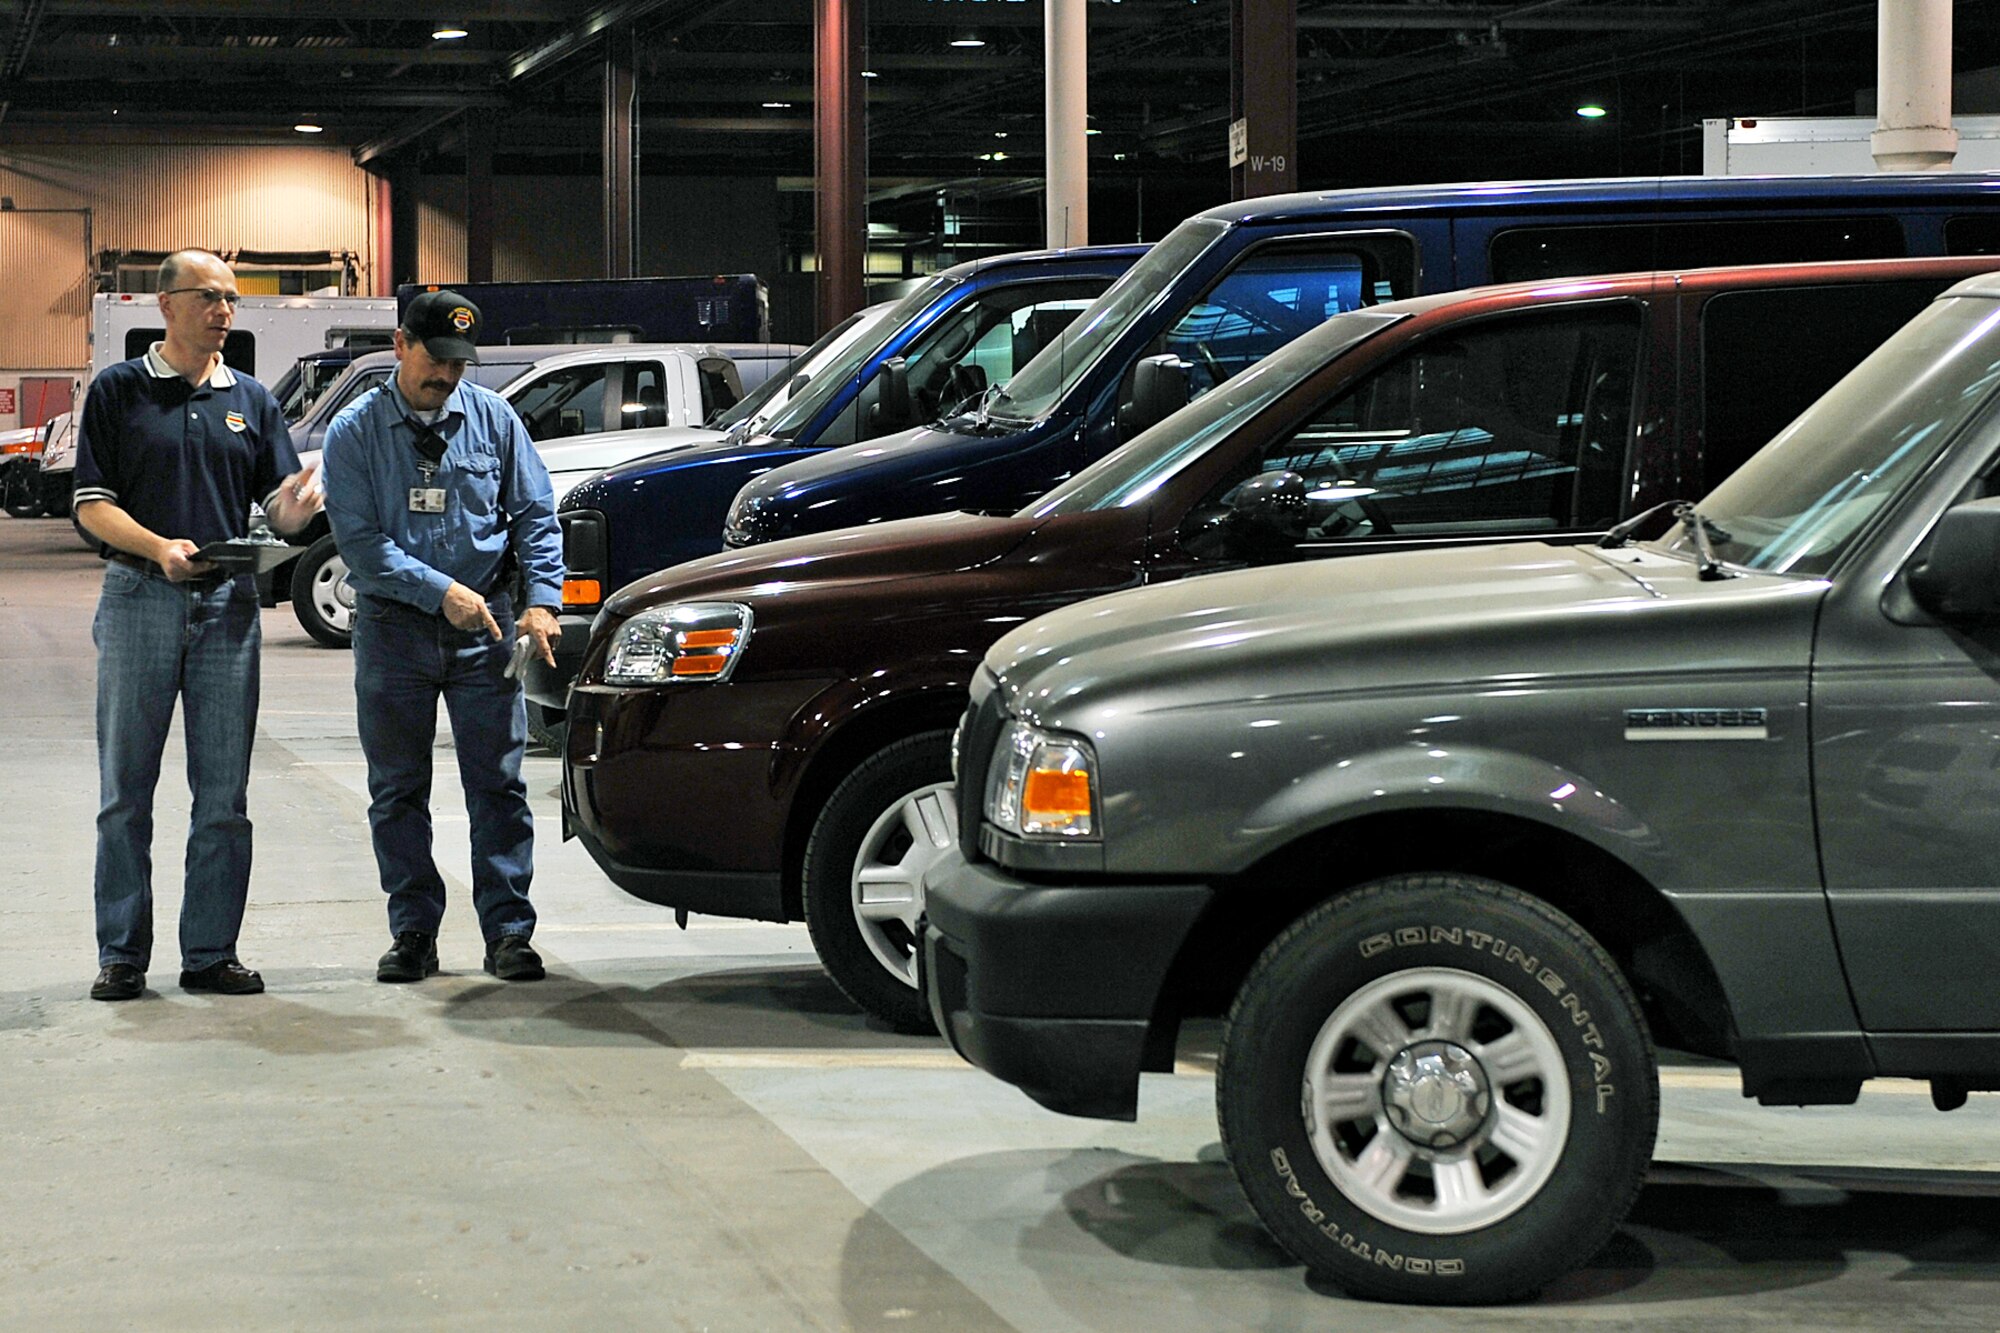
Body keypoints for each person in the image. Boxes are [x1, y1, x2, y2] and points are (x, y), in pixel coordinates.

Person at [73, 249, 324, 1002]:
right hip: (139, 598)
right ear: (167, 305)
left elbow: (275, 502)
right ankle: (122, 953)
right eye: (208, 297)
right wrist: (157, 547)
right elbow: (90, 503)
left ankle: (210, 951)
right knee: (127, 791)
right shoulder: (119, 392)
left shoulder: (249, 398)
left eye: (231, 299)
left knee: (224, 793)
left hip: (225, 611)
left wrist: (295, 507)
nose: (223, 311)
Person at [321, 290, 563, 984]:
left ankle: (509, 930)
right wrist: (439, 592)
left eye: (460, 363)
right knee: (398, 789)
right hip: (395, 631)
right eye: (434, 359)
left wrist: (543, 601)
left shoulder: (494, 420)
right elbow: (361, 545)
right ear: (399, 345)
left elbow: (535, 516)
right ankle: (414, 931)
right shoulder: (354, 432)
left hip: (485, 627)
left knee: (498, 786)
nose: (448, 375)